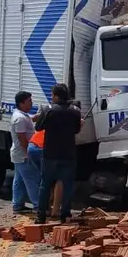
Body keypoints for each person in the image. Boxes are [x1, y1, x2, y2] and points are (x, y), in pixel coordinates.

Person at [34, 83, 81, 224]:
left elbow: (38, 127)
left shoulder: (48, 110)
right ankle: (65, 214)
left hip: (50, 154)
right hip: (68, 154)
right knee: (67, 185)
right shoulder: (75, 110)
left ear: (55, 96)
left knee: (45, 185)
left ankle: (41, 216)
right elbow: (77, 130)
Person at [10, 91, 41, 213]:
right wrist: (29, 154)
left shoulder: (22, 115)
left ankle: (17, 204)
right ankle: (38, 206)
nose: (31, 103)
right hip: (23, 155)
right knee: (32, 180)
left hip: (19, 155)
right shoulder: (20, 118)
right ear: (21, 103)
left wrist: (36, 117)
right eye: (29, 101)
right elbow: (22, 139)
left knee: (20, 181)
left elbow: (29, 120)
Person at [28, 129, 63, 219]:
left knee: (45, 178)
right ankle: (55, 210)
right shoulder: (66, 123)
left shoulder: (50, 118)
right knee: (60, 179)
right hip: (42, 148)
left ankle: (46, 209)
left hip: (32, 147)